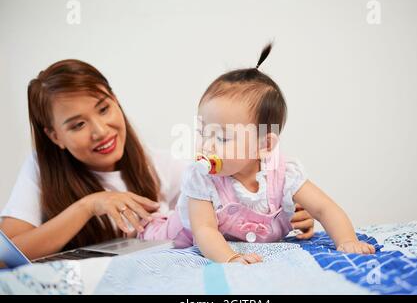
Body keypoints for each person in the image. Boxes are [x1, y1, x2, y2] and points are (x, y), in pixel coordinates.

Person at [0, 59, 315, 260]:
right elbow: (7, 254)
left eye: (104, 108)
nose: (100, 130)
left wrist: (285, 212)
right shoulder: (40, 170)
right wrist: (89, 205)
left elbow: (229, 200)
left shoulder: (160, 164)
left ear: (116, 101)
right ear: (54, 136)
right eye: (77, 125)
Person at [139, 44, 375, 264]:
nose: (207, 145)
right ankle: (140, 222)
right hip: (177, 234)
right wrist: (229, 259)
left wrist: (347, 240)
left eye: (222, 138)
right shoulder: (201, 178)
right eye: (203, 132)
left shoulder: (284, 173)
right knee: (148, 234)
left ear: (264, 145)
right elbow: (204, 230)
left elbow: (325, 208)